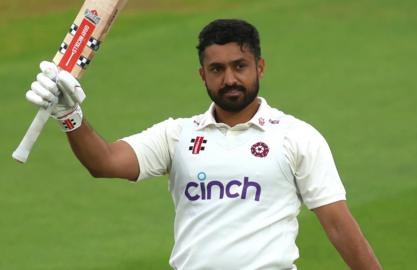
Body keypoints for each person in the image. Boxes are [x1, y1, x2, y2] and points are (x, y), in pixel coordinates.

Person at [26, 19, 382, 270]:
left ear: (260, 66)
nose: (230, 79)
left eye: (240, 66)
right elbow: (103, 162)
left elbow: (338, 226)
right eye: (217, 69)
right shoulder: (178, 135)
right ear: (203, 75)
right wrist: (69, 114)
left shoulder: (296, 137)